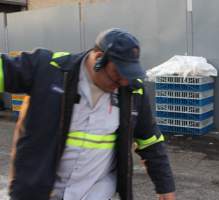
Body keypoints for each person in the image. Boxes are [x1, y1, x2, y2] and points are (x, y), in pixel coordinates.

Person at [0, 28, 176, 200]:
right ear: (99, 58)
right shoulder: (49, 69)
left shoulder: (132, 91)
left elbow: (150, 142)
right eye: (118, 72)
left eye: (128, 74)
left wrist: (166, 190)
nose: (123, 81)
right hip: (38, 193)